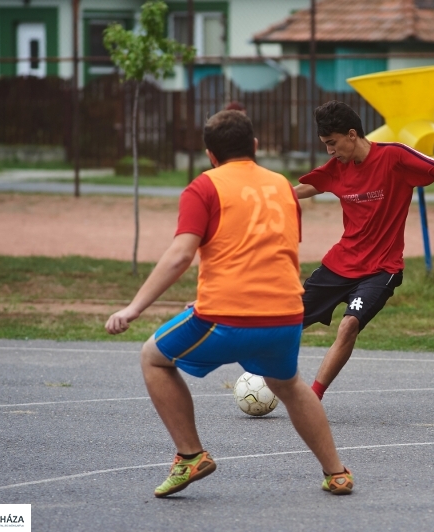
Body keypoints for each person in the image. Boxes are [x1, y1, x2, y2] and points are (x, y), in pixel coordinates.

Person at [105, 110, 353, 498]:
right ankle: (336, 472)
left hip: (228, 316)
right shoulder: (282, 187)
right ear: (254, 146)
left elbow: (179, 255)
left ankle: (190, 455)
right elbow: (266, 250)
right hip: (286, 314)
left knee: (153, 357)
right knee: (289, 385)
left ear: (210, 154)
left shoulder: (203, 187)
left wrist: (133, 308)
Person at [294, 100, 434, 400]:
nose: (330, 151)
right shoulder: (337, 169)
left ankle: (313, 396)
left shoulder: (394, 157)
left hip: (380, 270)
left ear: (352, 134)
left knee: (349, 324)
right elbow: (299, 191)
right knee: (289, 318)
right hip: (340, 264)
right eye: (325, 145)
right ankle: (262, 374)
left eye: (332, 143)